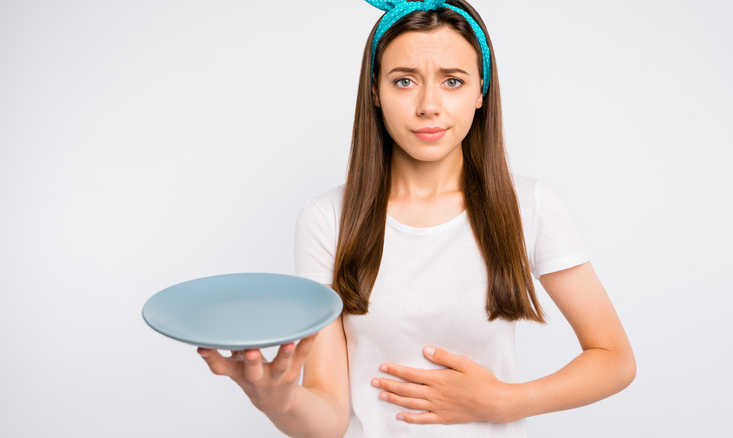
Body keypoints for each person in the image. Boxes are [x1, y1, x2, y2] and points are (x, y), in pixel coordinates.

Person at [197, 0, 636, 436]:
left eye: (453, 81)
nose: (429, 105)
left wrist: (505, 401)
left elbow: (614, 357)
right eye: (405, 80)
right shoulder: (328, 218)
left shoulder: (529, 205)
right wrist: (277, 399)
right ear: (375, 91)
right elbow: (329, 419)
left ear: (481, 91)